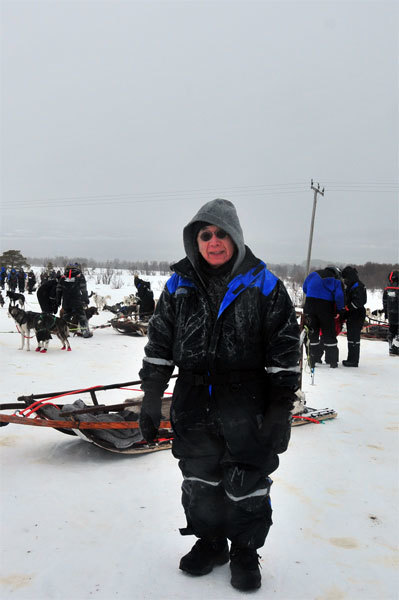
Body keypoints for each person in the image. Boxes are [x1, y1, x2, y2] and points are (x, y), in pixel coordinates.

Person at [138, 198, 300, 592]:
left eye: (221, 234)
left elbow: (284, 351)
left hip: (246, 401)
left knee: (247, 480)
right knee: (198, 478)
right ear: (195, 241)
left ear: (236, 238)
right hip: (192, 398)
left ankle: (245, 549)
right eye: (205, 234)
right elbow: (160, 343)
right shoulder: (178, 284)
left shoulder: (264, 285)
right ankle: (211, 542)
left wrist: (280, 406)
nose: (213, 242)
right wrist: (151, 394)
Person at [302, 266, 345, 368]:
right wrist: (339, 309)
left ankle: (313, 359)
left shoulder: (312, 274)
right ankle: (332, 361)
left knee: (312, 333)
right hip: (325, 306)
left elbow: (304, 288)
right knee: (329, 333)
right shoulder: (335, 280)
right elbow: (339, 295)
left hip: (309, 304)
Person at [56, 264, 92, 338]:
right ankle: (85, 332)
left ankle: (62, 331)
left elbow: (58, 289)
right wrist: (85, 299)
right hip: (76, 300)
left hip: (66, 301)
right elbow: (83, 288)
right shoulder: (79, 276)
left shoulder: (63, 276)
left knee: (66, 316)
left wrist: (58, 300)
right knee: (81, 316)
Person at [341, 266, 367, 367]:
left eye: (346, 279)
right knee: (351, 337)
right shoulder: (352, 286)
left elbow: (359, 301)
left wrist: (348, 308)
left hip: (357, 314)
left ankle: (353, 360)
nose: (345, 281)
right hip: (352, 314)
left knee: (354, 338)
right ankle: (351, 358)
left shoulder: (358, 286)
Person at [382, 270, 399, 356]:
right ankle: (396, 349)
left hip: (391, 313)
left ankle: (391, 348)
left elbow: (384, 301)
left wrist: (385, 312)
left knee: (392, 330)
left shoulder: (387, 288)